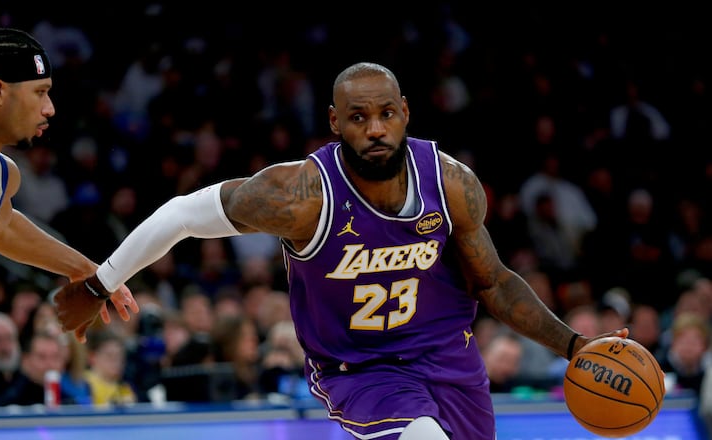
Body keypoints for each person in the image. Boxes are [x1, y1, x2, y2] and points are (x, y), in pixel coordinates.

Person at [55, 62, 627, 440]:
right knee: (421, 437)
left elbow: (495, 283)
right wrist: (101, 282)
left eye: (385, 114)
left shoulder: (452, 183)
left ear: (404, 113)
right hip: (361, 370)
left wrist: (575, 345)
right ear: (335, 123)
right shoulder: (300, 194)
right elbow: (181, 214)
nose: (374, 128)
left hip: (451, 363)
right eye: (358, 118)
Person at [0, 25, 139, 438]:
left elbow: (2, 227)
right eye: (40, 91)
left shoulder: (3, 179)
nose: (50, 108)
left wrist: (87, 270)